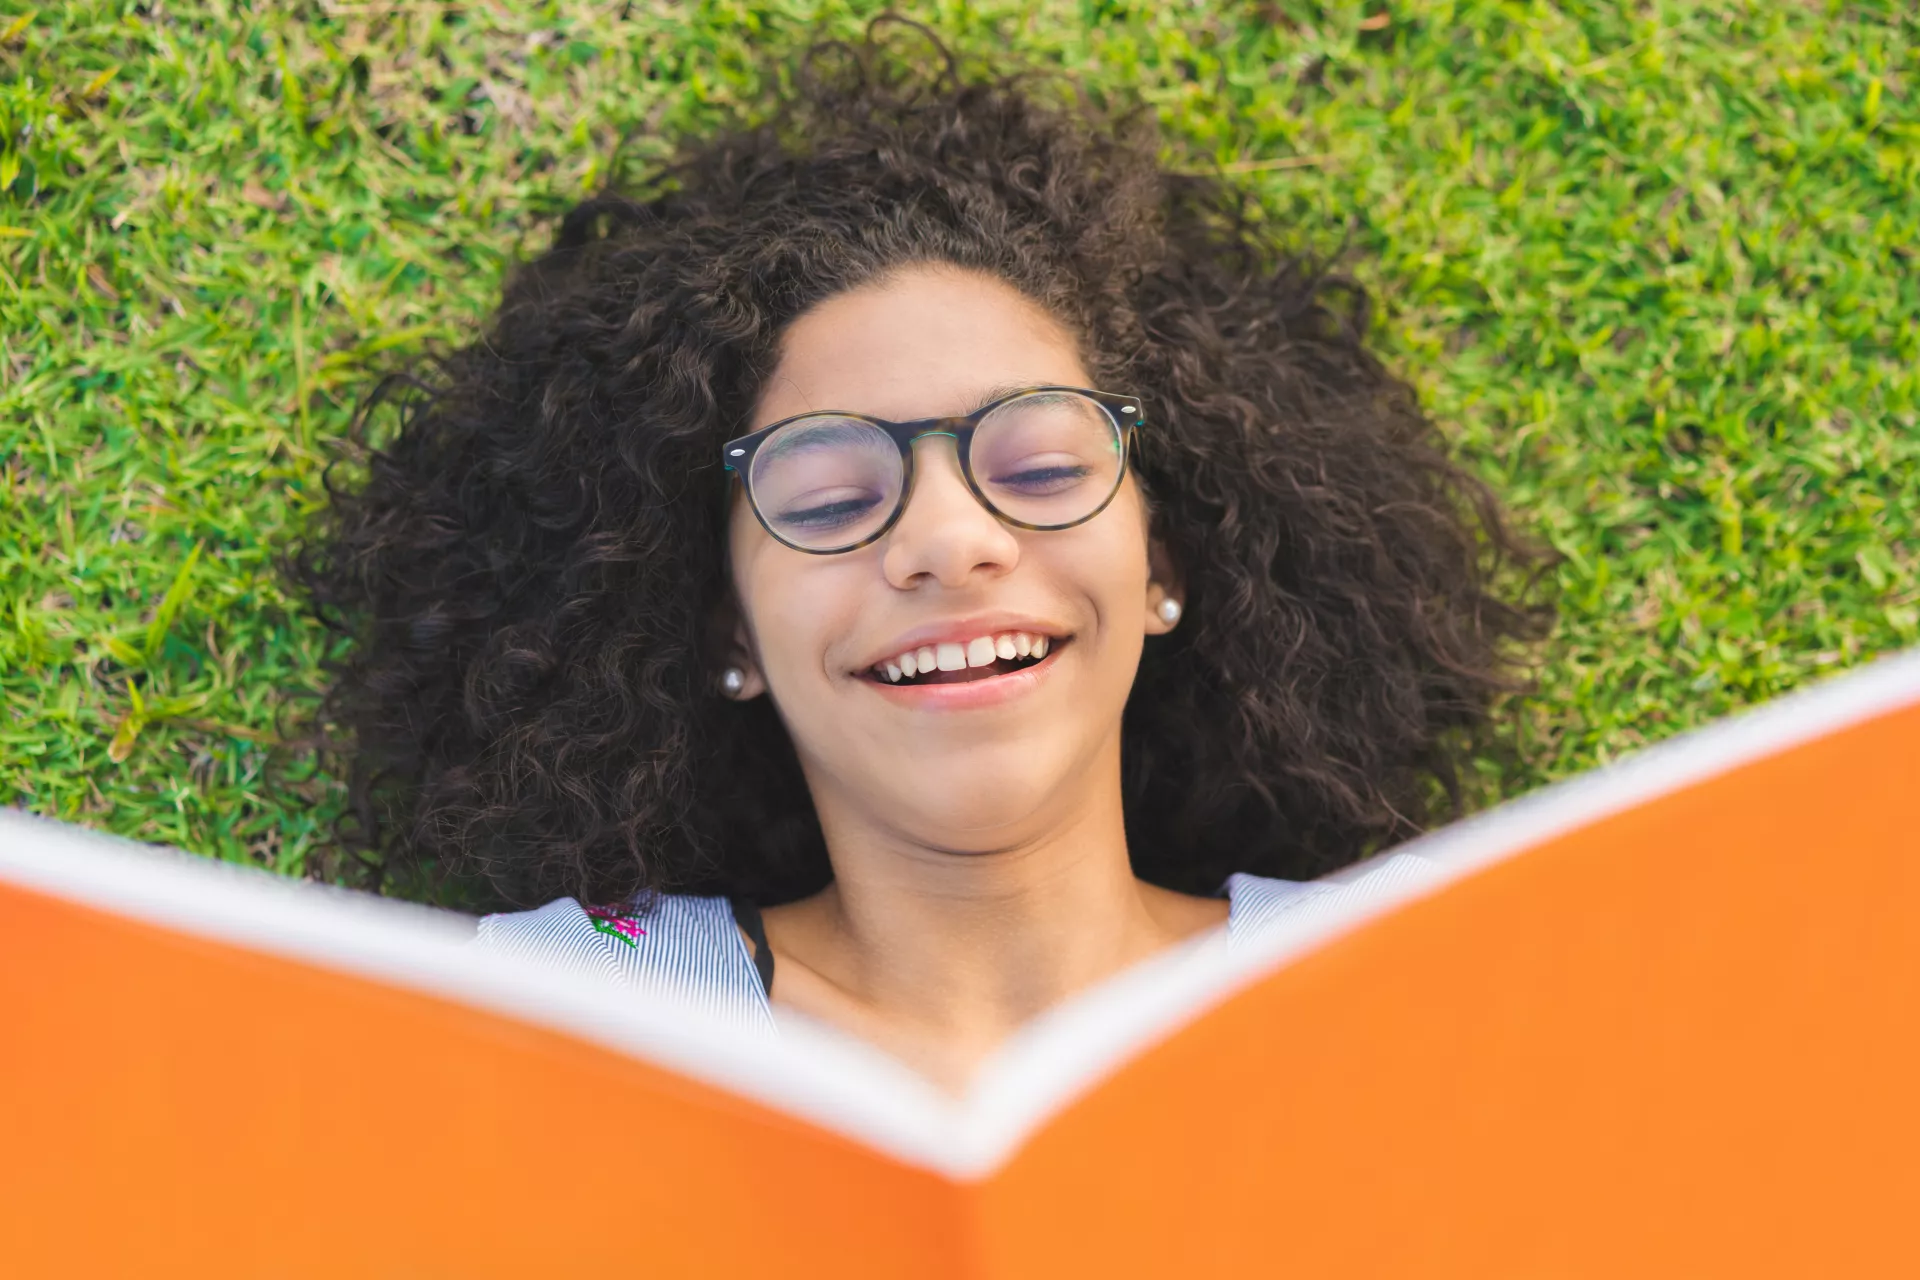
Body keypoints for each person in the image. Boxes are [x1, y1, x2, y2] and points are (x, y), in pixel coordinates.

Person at [295, 27, 1545, 1092]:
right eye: (831, 494)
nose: (951, 540)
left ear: (1161, 562)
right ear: (729, 629)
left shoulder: (1426, 984)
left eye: (1045, 467)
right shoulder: (540, 1016)